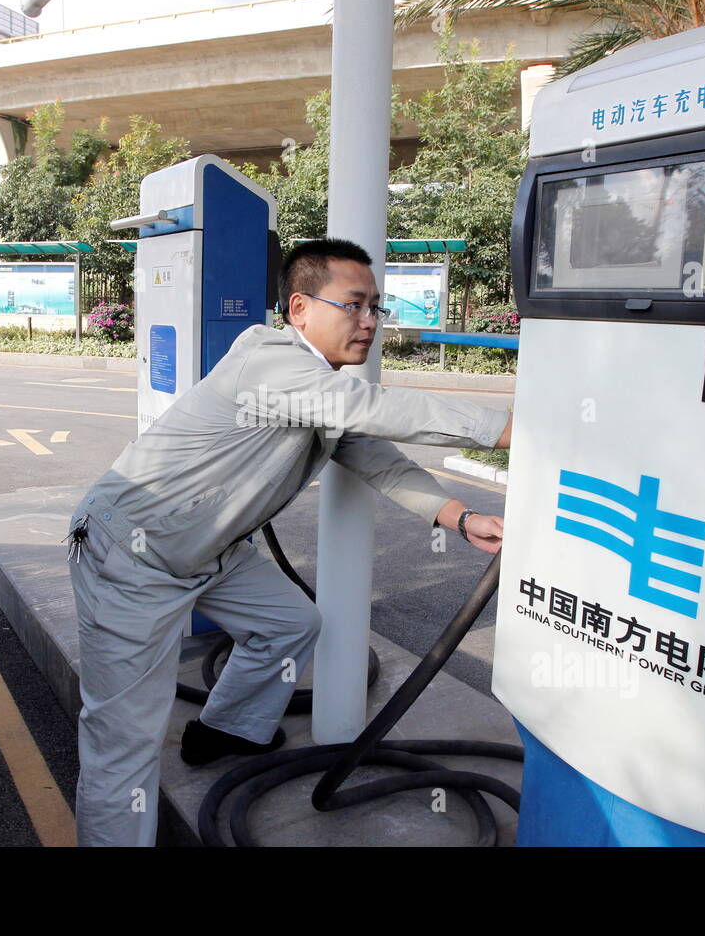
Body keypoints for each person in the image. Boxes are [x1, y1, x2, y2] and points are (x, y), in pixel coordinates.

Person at [66, 237, 512, 846]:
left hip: (212, 551)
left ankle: (226, 729)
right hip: (133, 559)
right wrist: (517, 427)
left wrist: (459, 516)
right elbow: (378, 409)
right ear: (300, 308)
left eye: (376, 307)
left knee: (290, 622)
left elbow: (378, 458)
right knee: (123, 743)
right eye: (353, 305)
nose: (369, 322)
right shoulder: (269, 361)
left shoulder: (319, 384)